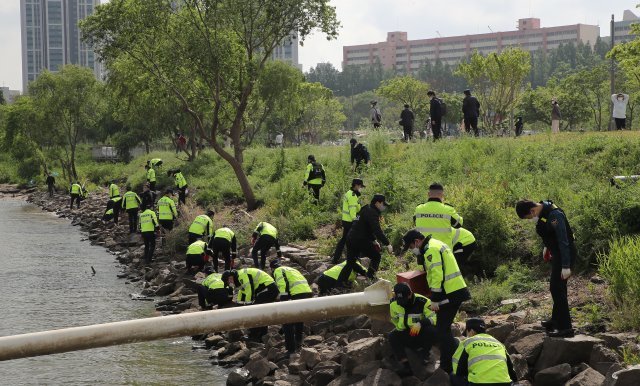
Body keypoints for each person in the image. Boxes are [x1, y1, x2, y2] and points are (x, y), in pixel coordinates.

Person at [402, 228, 471, 374]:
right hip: (454, 290)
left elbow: (437, 275)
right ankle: (448, 363)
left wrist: (434, 299)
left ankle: (458, 357)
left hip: (450, 293)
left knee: (441, 330)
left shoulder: (430, 250)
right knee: (443, 329)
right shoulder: (436, 243)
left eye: (411, 246)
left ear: (417, 241)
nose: (412, 249)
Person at [516, 199, 576, 337]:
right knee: (557, 288)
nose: (531, 219)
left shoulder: (555, 215)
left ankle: (566, 328)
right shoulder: (544, 212)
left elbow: (563, 240)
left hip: (564, 254)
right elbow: (550, 234)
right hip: (557, 253)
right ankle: (556, 320)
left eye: (529, 217)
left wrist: (566, 265)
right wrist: (546, 247)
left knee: (557, 288)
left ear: (532, 210)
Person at [339, 194, 393, 282]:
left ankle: (339, 284)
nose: (384, 207)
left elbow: (365, 227)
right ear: (377, 203)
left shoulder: (365, 208)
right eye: (383, 204)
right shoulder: (372, 213)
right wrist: (387, 243)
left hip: (351, 237)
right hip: (360, 240)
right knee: (376, 256)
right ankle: (370, 278)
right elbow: (377, 230)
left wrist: (374, 240)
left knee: (350, 263)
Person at [389, 282, 437, 376]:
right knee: (392, 336)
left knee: (432, 330)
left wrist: (420, 323)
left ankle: (425, 354)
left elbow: (436, 317)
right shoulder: (393, 303)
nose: (402, 303)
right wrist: (400, 328)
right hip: (406, 333)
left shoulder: (423, 301)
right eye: (399, 300)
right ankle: (406, 365)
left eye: (404, 299)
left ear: (410, 294)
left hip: (420, 333)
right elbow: (394, 319)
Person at [451, 318, 517, 386]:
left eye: (467, 333)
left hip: (479, 384)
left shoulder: (468, 342)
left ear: (471, 331)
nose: (467, 336)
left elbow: (458, 370)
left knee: (453, 375)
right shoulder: (498, 343)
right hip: (505, 384)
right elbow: (511, 370)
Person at [222, 268, 279, 341]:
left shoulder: (242, 275)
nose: (230, 283)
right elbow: (242, 292)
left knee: (256, 311)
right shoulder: (238, 279)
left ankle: (253, 336)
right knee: (261, 312)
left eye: (228, 282)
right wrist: (239, 305)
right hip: (266, 288)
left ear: (230, 278)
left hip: (269, 288)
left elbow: (249, 289)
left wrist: (249, 306)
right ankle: (262, 335)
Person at [270, 260, 313, 356]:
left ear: (272, 269)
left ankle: (291, 350)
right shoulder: (291, 269)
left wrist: (284, 301)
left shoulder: (278, 270)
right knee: (298, 317)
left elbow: (282, 285)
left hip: (297, 293)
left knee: (287, 321)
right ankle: (298, 341)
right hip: (307, 292)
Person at [414, 183, 463, 248]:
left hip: (424, 250)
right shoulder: (448, 209)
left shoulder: (419, 209)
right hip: (443, 250)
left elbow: (415, 223)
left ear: (428, 194)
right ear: (442, 195)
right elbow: (458, 224)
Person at [332, 178, 365, 264]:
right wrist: (355, 220)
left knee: (344, 240)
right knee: (354, 240)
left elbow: (355, 207)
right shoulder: (353, 195)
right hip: (350, 221)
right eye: (360, 186)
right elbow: (352, 209)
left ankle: (336, 258)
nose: (361, 188)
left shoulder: (349, 193)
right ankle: (355, 259)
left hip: (346, 220)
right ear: (356, 185)